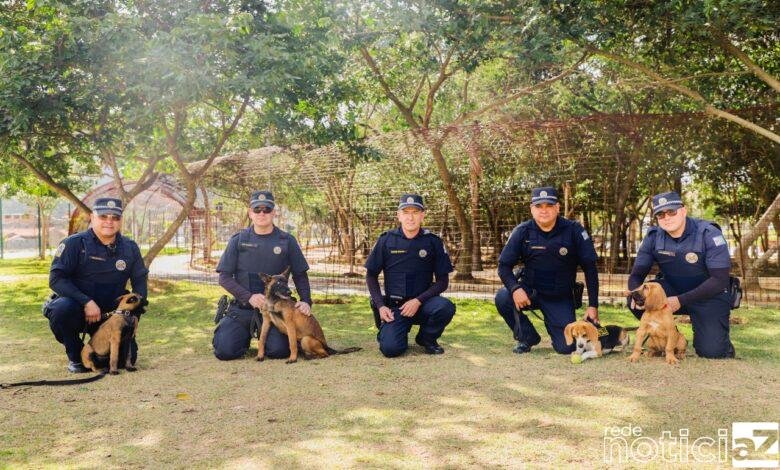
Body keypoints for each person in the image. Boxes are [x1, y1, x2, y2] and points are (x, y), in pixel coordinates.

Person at [44, 197, 148, 373]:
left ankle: (102, 350)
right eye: (103, 216)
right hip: (79, 311)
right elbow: (56, 279)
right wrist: (86, 302)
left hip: (111, 317)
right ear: (92, 217)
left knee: (125, 361)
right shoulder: (74, 244)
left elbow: (139, 280)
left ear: (121, 220)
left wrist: (135, 312)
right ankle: (76, 355)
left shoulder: (130, 247)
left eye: (115, 218)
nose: (109, 221)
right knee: (61, 309)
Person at [627, 191, 734, 358]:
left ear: (683, 211)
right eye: (661, 214)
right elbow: (636, 275)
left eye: (672, 211)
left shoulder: (709, 233)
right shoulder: (653, 237)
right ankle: (668, 333)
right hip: (673, 291)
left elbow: (720, 280)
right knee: (636, 298)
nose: (667, 217)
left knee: (712, 352)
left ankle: (715, 339)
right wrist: (635, 296)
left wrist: (681, 300)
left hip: (709, 294)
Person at [494, 186, 599, 354]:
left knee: (567, 348)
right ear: (531, 209)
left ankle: (557, 328)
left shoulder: (574, 231)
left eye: (549, 206)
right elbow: (503, 266)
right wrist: (515, 289)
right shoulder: (522, 232)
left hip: (559, 297)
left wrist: (593, 306)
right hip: (531, 292)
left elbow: (590, 268)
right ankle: (527, 337)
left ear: (557, 207)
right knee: (503, 297)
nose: (544, 211)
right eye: (538, 206)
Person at [213, 190, 312, 360]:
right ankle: (241, 336)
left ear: (274, 212)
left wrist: (306, 301)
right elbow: (224, 277)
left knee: (279, 352)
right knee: (225, 351)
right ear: (250, 213)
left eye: (267, 209)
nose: (262, 213)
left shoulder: (287, 241)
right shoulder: (238, 240)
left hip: (277, 310)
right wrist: (249, 297)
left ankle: (268, 341)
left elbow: (300, 275)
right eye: (257, 209)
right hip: (243, 307)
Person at [365, 194, 456, 357]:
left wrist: (418, 301)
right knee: (391, 350)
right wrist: (380, 305)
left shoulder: (433, 242)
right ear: (399, 216)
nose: (410, 217)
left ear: (422, 215)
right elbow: (371, 275)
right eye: (406, 212)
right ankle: (389, 332)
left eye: (415, 212)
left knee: (445, 306)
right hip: (396, 307)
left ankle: (427, 339)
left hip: (423, 304)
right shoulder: (386, 240)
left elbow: (443, 282)